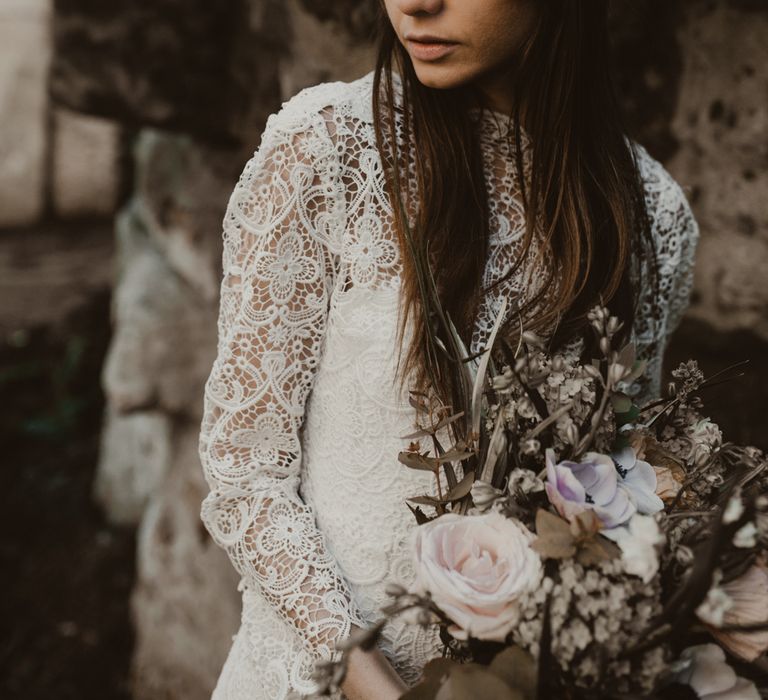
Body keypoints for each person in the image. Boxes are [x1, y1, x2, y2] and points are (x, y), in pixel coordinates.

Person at [196, 1, 700, 699]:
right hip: (316, 676)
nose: (416, 3)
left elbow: (624, 488)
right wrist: (370, 682)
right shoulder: (328, 150)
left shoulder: (651, 214)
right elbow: (247, 473)